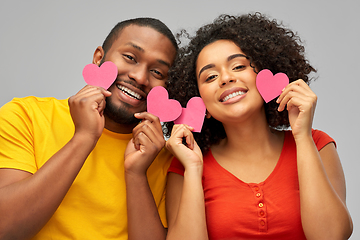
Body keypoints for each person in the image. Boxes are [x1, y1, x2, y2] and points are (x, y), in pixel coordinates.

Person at [164, 13, 353, 240]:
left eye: (238, 66)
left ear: (265, 74)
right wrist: (194, 170)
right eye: (211, 76)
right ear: (199, 101)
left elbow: (331, 236)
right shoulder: (184, 164)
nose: (225, 78)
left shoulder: (318, 144)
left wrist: (302, 136)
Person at [0, 17, 177, 240]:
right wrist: (84, 138)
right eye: (130, 58)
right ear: (98, 58)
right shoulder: (25, 115)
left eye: (158, 73)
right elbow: (5, 229)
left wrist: (136, 173)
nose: (140, 77)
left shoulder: (168, 159)